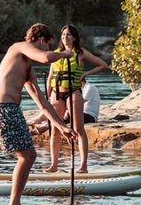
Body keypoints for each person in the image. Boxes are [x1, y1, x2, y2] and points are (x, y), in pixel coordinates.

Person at [0, 23, 76, 205]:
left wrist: (61, 127)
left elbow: (42, 102)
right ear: (41, 40)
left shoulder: (27, 67)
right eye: (48, 44)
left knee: (29, 156)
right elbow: (45, 58)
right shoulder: (19, 47)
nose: (47, 49)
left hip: (11, 110)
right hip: (3, 109)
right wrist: (64, 54)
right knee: (27, 156)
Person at [45, 25, 107, 174]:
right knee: (55, 129)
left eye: (68, 35)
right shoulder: (56, 54)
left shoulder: (80, 53)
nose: (65, 37)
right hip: (57, 93)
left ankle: (83, 166)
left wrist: (85, 73)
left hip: (73, 92)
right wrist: (46, 97)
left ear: (74, 38)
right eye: (63, 35)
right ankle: (54, 165)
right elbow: (50, 76)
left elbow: (102, 65)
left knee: (79, 129)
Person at [27, 78, 101, 135]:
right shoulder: (78, 89)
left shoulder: (89, 88)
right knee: (55, 107)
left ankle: (45, 126)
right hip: (80, 113)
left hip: (89, 115)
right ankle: (40, 120)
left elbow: (78, 103)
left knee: (66, 113)